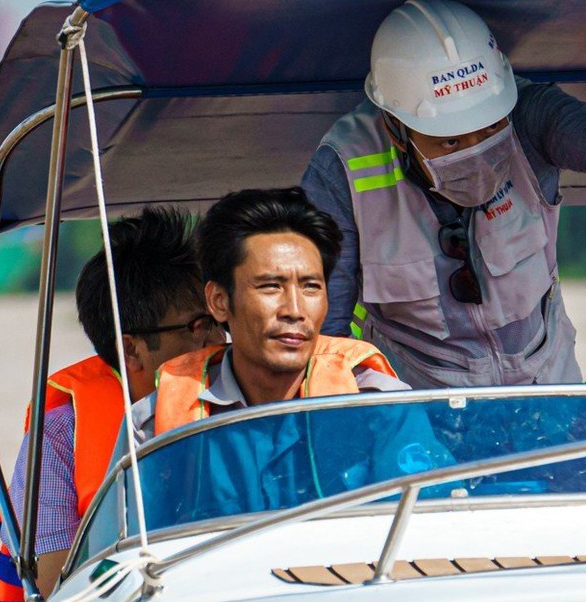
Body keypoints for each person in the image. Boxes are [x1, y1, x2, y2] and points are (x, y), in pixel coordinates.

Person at [301, 0, 586, 388]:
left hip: (544, 389)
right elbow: (327, 330)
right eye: (450, 141)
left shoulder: (527, 115)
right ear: (396, 127)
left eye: (490, 128)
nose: (476, 151)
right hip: (416, 406)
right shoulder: (341, 169)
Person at [0, 207, 217, 602]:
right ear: (131, 350)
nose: (219, 340)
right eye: (197, 326)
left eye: (218, 317)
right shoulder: (60, 437)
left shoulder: (244, 393)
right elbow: (58, 590)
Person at [130, 188, 406, 441]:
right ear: (219, 301)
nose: (295, 311)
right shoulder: (153, 425)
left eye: (311, 287)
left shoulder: (382, 407)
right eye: (271, 286)